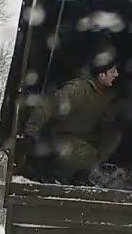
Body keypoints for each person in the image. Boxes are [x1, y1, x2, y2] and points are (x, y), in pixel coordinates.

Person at [23, 57, 122, 185]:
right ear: (101, 74)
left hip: (82, 139)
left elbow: (107, 125)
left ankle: (82, 175)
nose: (116, 74)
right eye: (113, 71)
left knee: (112, 138)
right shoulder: (78, 89)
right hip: (59, 141)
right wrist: (31, 131)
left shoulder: (103, 94)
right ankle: (57, 178)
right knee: (84, 152)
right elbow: (47, 106)